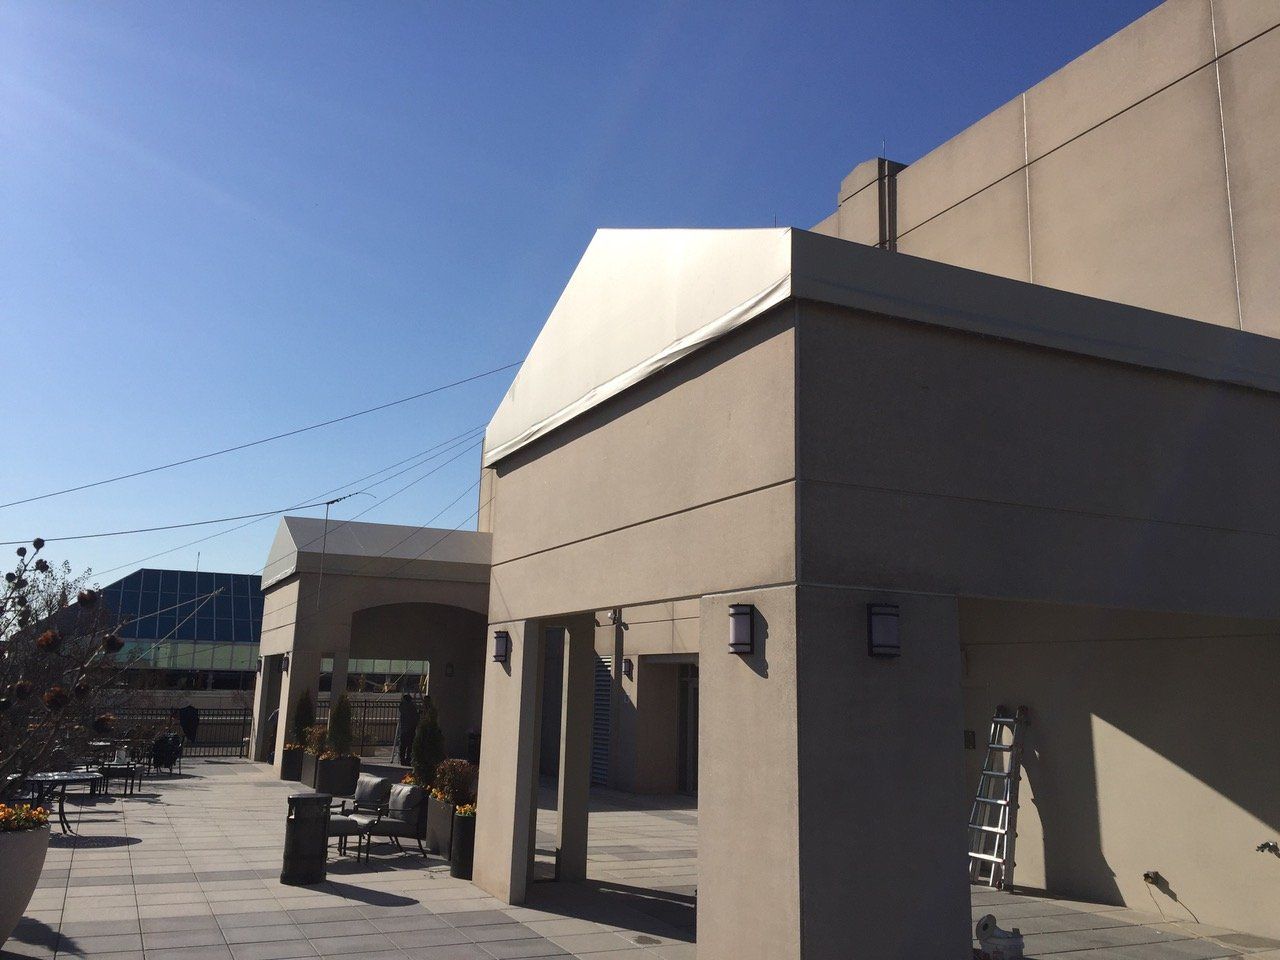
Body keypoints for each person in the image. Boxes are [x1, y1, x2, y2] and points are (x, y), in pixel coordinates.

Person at [395, 692, 419, 766]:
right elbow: (415, 716)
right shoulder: (411, 707)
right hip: (410, 728)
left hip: (405, 729)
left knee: (404, 745)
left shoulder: (403, 706)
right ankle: (407, 759)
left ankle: (403, 759)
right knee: (409, 745)